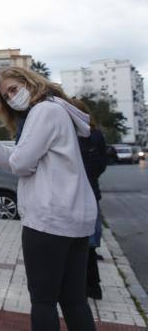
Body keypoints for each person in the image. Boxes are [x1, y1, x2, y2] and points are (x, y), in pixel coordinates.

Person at [0, 67, 97, 331]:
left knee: (43, 301)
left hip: (48, 219)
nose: (11, 98)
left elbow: (20, 163)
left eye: (14, 89)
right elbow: (17, 162)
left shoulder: (43, 111)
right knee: (74, 300)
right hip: (72, 217)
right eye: (6, 96)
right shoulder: (56, 109)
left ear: (29, 82)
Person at [70, 98, 107, 300]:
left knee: (86, 242)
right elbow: (102, 163)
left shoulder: (85, 136)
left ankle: (91, 285)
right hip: (89, 191)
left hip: (85, 193)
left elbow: (99, 163)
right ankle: (91, 285)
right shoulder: (94, 135)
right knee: (87, 241)